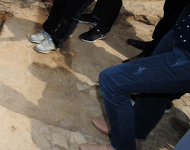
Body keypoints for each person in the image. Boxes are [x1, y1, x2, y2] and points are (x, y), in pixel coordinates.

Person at [78, 13, 190, 150]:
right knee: (157, 90)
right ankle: (131, 136)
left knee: (112, 80)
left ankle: (121, 147)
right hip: (183, 30)